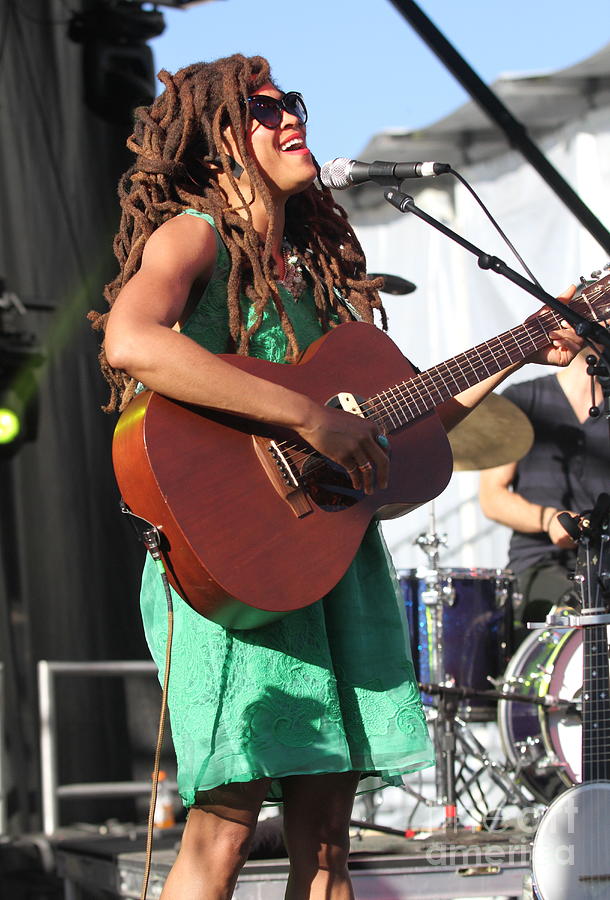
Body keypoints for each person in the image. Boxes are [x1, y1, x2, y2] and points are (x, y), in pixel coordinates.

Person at [90, 54, 583, 900]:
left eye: (295, 104)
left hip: (326, 563)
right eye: (261, 109)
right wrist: (307, 417)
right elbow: (131, 342)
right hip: (233, 555)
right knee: (224, 830)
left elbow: (406, 427)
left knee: (328, 847)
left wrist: (523, 347)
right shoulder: (193, 232)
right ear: (214, 142)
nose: (291, 118)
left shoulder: (320, 282)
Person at [479, 347, 608, 636]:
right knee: (573, 611)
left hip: (604, 563)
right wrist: (549, 520)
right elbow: (492, 497)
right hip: (541, 562)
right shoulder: (522, 400)